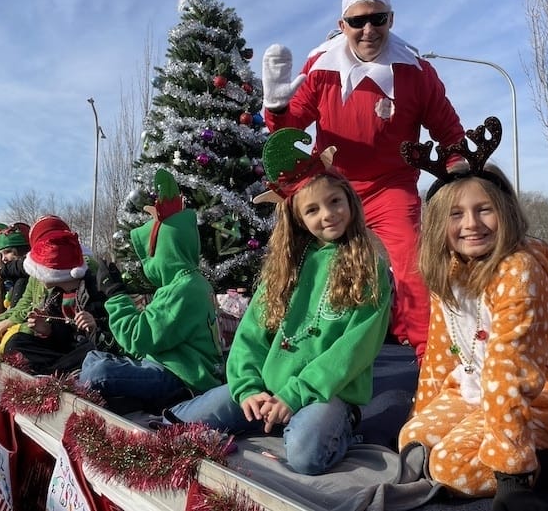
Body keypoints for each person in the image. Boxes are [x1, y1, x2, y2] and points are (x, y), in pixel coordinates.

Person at [262, 0, 465, 361]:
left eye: (378, 19)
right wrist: (276, 107)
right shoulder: (319, 69)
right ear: (343, 26)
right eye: (357, 22)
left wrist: (460, 175)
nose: (368, 29)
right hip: (333, 188)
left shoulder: (417, 72)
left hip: (391, 187)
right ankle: (290, 353)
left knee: (412, 267)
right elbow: (287, 135)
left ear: (391, 19)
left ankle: (432, 361)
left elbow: (449, 133)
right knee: (306, 266)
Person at [166, 128, 392, 475]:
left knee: (306, 455)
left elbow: (354, 348)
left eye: (335, 201)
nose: (328, 214)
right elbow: (251, 334)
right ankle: (265, 416)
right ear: (298, 218)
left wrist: (295, 395)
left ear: (349, 200)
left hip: (326, 393)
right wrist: (248, 389)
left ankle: (338, 429)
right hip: (269, 386)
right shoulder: (286, 267)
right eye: (313, 209)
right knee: (179, 426)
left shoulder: (369, 264)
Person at [397, 117, 548, 509]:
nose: (471, 224)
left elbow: (511, 368)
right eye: (456, 214)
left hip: (544, 396)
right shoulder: (450, 273)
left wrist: (511, 472)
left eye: (483, 209)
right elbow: (440, 358)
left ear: (504, 212)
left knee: (452, 466)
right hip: (478, 392)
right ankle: (514, 450)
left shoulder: (518, 269)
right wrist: (425, 412)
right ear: (440, 223)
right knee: (414, 439)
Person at [78, 169, 224, 414]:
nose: (147, 264)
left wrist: (114, 294)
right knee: (93, 359)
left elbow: (137, 338)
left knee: (97, 371)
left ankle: (143, 401)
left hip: (181, 379)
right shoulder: (188, 283)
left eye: (149, 255)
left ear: (166, 250)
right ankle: (129, 398)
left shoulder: (184, 288)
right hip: (168, 367)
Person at [0, 215, 112, 374]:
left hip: (90, 352)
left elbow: (112, 340)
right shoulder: (56, 294)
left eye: (39, 270)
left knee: (89, 355)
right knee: (17, 342)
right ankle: (56, 371)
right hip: (67, 353)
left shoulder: (95, 289)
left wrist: (94, 326)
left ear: (53, 272)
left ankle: (53, 372)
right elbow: (63, 341)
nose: (36, 277)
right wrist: (46, 330)